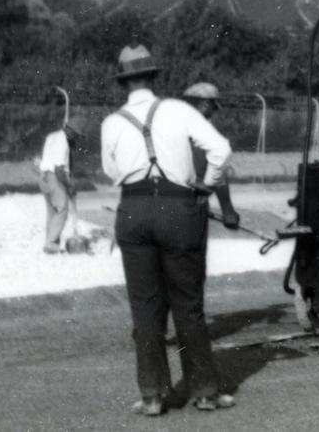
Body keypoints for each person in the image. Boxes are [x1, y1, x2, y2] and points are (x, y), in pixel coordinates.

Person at [100, 45, 236, 416]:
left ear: (124, 82)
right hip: (179, 208)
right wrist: (206, 186)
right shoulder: (178, 110)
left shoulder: (112, 122)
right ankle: (205, 392)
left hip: (133, 209)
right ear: (154, 77)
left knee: (144, 309)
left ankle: (152, 396)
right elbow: (220, 149)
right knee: (188, 305)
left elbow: (111, 173)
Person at [181, 82, 241, 231]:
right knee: (218, 164)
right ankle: (228, 212)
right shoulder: (199, 126)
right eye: (213, 107)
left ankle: (204, 205)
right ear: (205, 104)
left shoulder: (181, 120)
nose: (214, 112)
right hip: (188, 187)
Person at [37, 120, 79, 254]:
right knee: (62, 210)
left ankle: (50, 244)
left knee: (52, 212)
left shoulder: (52, 136)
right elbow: (59, 168)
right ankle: (50, 243)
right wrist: (68, 186)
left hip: (43, 176)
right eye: (77, 135)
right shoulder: (64, 143)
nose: (76, 139)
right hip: (55, 177)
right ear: (71, 132)